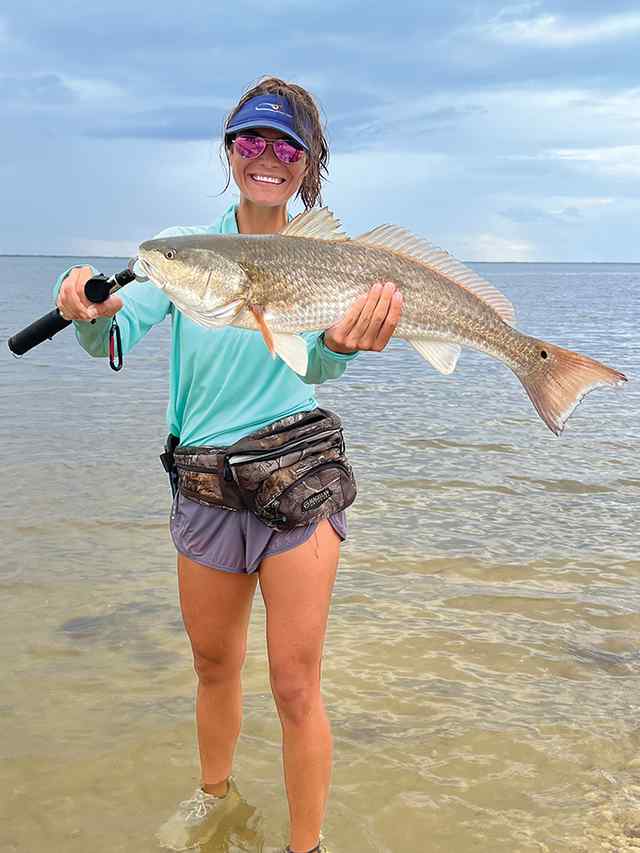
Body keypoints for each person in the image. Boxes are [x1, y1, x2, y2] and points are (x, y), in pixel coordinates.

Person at [55, 77, 403, 853]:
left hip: (297, 480)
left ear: (307, 162)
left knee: (293, 682)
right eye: (250, 140)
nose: (266, 157)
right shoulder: (186, 250)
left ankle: (305, 845)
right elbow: (114, 325)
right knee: (214, 665)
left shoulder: (320, 253)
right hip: (207, 486)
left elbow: (315, 358)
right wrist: (81, 300)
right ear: (229, 152)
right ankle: (216, 803)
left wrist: (343, 345)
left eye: (285, 145)